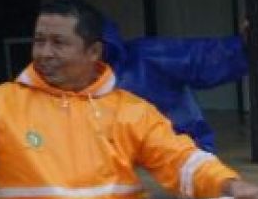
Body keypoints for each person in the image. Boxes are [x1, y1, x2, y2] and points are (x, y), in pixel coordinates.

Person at [0, 0, 258, 199]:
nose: (44, 53)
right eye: (39, 41)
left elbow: (181, 160)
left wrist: (228, 183)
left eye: (59, 43)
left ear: (93, 53)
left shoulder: (131, 111)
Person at [101, 18, 248, 152]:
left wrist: (245, 45)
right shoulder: (82, 88)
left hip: (181, 157)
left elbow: (202, 59)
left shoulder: (145, 57)